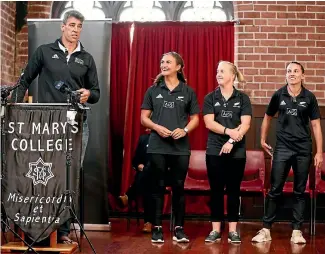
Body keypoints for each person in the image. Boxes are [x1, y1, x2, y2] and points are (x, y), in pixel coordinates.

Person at [11, 10, 101, 244]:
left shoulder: (87, 58)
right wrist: (16, 110)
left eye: (79, 26)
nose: (75, 29)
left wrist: (88, 94)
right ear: (62, 27)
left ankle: (63, 231)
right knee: (45, 174)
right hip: (45, 126)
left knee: (69, 178)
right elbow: (23, 81)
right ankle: (37, 227)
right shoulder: (44, 52)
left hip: (76, 125)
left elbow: (96, 94)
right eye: (71, 25)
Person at [252, 61, 323, 244]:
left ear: (302, 76)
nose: (292, 74)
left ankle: (297, 231)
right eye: (289, 71)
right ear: (286, 75)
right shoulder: (279, 94)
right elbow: (267, 117)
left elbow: (315, 125)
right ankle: (266, 229)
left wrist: (319, 152)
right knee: (275, 189)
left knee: (300, 191)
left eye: (296, 71)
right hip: (282, 148)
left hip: (303, 149)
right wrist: (262, 139)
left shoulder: (309, 97)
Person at [140, 52, 200, 243]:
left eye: (168, 62)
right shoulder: (153, 90)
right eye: (162, 62)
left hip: (180, 148)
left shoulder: (188, 91)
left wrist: (184, 130)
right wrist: (157, 127)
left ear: (178, 67)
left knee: (178, 187)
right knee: (157, 187)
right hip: (157, 146)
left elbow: (196, 119)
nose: (164, 65)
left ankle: (179, 229)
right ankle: (157, 228)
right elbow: (144, 118)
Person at [203, 61, 252, 244]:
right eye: (217, 71)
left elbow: (245, 124)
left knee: (233, 190)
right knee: (216, 191)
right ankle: (215, 230)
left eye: (222, 71)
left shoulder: (243, 98)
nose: (218, 74)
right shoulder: (210, 97)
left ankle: (233, 230)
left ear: (232, 75)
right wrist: (228, 132)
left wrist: (232, 140)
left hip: (236, 152)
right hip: (214, 150)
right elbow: (209, 123)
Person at [118, 130, 152, 233]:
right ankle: (148, 222)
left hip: (161, 173)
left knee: (146, 177)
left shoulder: (165, 140)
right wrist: (138, 165)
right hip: (145, 175)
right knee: (146, 180)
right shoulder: (143, 139)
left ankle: (128, 196)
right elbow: (136, 160)